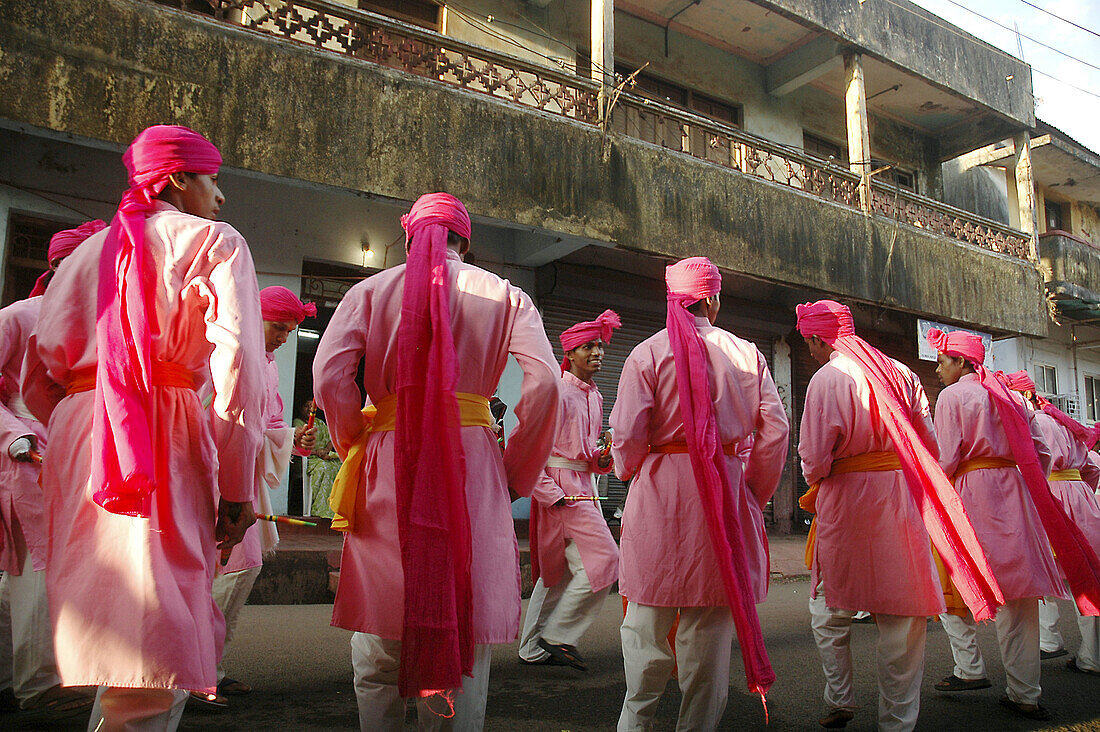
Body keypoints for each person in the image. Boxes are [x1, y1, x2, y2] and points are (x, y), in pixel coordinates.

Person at [21, 125, 268, 731]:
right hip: (161, 428)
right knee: (158, 627)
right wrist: (237, 487)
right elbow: (237, 374)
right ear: (179, 178)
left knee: (116, 614)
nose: (221, 196)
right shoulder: (213, 241)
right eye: (213, 179)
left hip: (83, 432)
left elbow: (36, 375)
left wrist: (87, 420)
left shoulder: (82, 255)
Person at [313, 192, 560, 731]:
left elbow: (329, 375)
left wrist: (356, 436)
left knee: (380, 638)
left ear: (408, 239)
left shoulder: (371, 290)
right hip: (470, 457)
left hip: (390, 453)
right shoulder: (504, 294)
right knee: (461, 627)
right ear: (464, 241)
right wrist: (516, 471)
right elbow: (545, 385)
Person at [796, 301, 1001, 732]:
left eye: (810, 344)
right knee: (903, 616)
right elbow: (930, 445)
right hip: (902, 500)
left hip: (846, 501)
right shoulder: (903, 373)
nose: (811, 352)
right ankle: (898, 723)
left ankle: (840, 698)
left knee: (827, 605)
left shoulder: (826, 379)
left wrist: (826, 475)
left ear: (818, 339)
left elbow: (813, 459)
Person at [610, 256, 789, 732]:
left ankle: (635, 722)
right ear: (711, 298)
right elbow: (775, 432)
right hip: (723, 490)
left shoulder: (647, 353)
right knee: (709, 633)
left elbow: (626, 435)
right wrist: (750, 491)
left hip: (661, 491)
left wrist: (631, 470)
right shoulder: (746, 354)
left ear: (673, 298)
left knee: (645, 624)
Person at [927, 328, 1100, 721]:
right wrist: (1019, 482)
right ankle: (1025, 694)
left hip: (972, 494)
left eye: (941, 361)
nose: (937, 369)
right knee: (1020, 599)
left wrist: (935, 494)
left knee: (956, 580)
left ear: (960, 362)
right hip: (1016, 496)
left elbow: (948, 456)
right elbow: (1040, 454)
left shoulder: (953, 396)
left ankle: (969, 668)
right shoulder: (1009, 397)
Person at [0, 221, 105, 720]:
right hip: (27, 452)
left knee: (37, 567)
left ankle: (23, 676)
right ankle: (37, 682)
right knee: (36, 566)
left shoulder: (94, 316)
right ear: (58, 266)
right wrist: (13, 436)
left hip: (72, 444)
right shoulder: (20, 315)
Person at [200, 286, 318, 705]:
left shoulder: (267, 365)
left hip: (243, 476)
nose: (283, 338)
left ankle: (210, 668)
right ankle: (196, 671)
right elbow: (218, 417)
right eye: (279, 328)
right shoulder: (228, 353)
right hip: (216, 473)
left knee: (239, 571)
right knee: (224, 571)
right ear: (256, 319)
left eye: (289, 331)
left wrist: (294, 437)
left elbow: (268, 422)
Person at [519, 310, 620, 671]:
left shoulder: (595, 396)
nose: (598, 352)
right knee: (607, 560)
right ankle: (558, 636)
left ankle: (531, 648)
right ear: (571, 353)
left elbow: (587, 453)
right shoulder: (556, 393)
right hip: (561, 490)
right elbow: (529, 447)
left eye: (600, 346)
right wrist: (549, 493)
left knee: (560, 571)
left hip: (583, 487)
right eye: (588, 346)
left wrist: (603, 457)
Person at [1002, 370, 1100, 676]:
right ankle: (1092, 655)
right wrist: (1082, 489)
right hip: (1081, 497)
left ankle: (1050, 640)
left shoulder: (1035, 422)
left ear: (1026, 395)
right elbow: (1091, 467)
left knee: (1046, 572)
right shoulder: (1066, 424)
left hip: (1051, 497)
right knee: (1085, 577)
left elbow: (1035, 463)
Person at [293, 400, 341, 518]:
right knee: (324, 467)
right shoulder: (298, 423)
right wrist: (316, 452)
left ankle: (336, 509)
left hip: (322, 456)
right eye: (306, 406)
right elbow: (297, 445)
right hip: (306, 459)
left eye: (312, 406)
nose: (309, 409)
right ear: (300, 408)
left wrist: (325, 451)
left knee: (340, 466)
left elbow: (331, 439)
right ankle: (318, 507)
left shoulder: (320, 423)